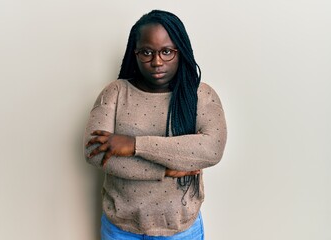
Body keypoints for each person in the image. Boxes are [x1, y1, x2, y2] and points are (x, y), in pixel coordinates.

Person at [84, 9, 227, 240]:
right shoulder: (115, 93)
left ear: (181, 51)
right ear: (135, 53)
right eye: (147, 52)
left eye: (167, 51)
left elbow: (211, 149)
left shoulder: (200, 95)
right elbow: (94, 152)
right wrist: (166, 170)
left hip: (181, 231)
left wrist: (134, 145)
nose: (157, 61)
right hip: (120, 229)